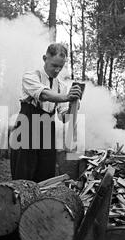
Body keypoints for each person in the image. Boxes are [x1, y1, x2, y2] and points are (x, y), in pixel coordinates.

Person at [9, 43, 82, 182]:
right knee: (23, 173)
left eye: (60, 67)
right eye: (54, 65)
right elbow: (44, 94)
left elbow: (64, 117)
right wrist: (66, 97)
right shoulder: (31, 76)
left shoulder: (61, 85)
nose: (57, 70)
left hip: (48, 130)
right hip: (27, 126)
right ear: (45, 58)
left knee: (45, 174)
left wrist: (74, 105)